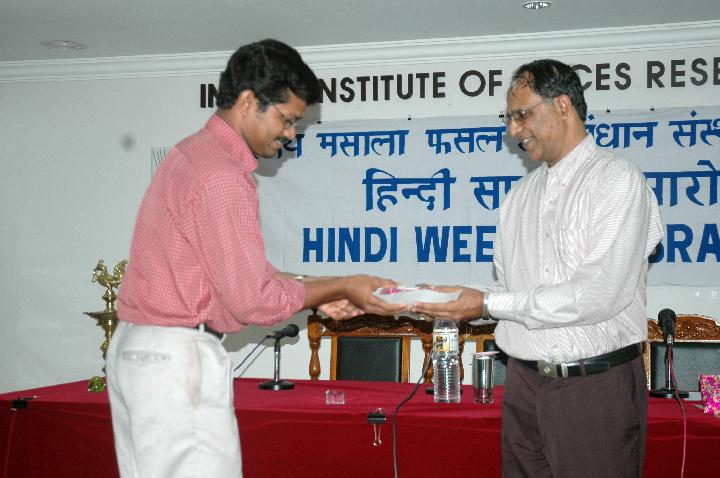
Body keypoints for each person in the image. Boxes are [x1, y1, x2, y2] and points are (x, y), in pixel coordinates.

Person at [106, 39, 404, 478]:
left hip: (142, 352)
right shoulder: (222, 176)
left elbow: (240, 272)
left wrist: (319, 291)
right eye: (287, 119)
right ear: (248, 102)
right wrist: (343, 285)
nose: (290, 135)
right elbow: (252, 300)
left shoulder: (191, 154)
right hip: (176, 359)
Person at [412, 59, 663, 478]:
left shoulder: (617, 181)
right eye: (509, 119)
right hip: (522, 386)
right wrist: (448, 302)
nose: (513, 130)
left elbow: (595, 295)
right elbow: (510, 293)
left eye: (522, 114)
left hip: (592, 386)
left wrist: (484, 303)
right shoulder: (518, 197)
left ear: (563, 105)